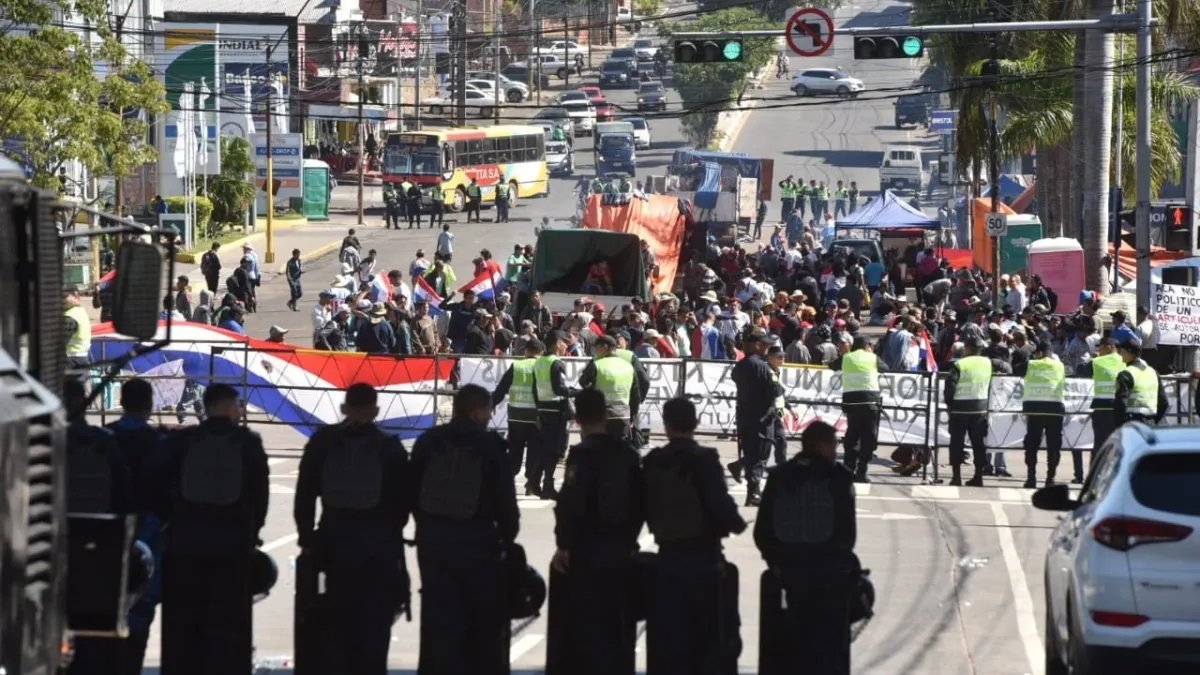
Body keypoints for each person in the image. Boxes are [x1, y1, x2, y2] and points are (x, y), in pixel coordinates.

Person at [294, 383, 410, 675]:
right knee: (375, 625)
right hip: (379, 544)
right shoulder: (390, 446)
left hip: (334, 539)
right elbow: (403, 502)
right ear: (376, 410)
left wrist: (307, 539)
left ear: (344, 408)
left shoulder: (323, 442)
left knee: (337, 618)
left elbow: (305, 495)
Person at [160, 383, 268, 675]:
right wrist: (252, 533)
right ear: (230, 406)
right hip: (233, 545)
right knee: (229, 623)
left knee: (183, 624)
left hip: (185, 544)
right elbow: (260, 496)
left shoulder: (182, 442)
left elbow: (162, 488)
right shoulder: (248, 443)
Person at [411, 385, 518, 675]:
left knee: (438, 620)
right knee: (482, 625)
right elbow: (506, 504)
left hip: (434, 544)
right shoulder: (490, 447)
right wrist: (507, 540)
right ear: (477, 412)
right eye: (488, 410)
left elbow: (412, 492)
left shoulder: (429, 442)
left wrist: (426, 528)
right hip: (479, 545)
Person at [642, 397, 746, 675]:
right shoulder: (704, 460)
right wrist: (737, 524)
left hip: (666, 562)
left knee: (669, 644)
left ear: (666, 426)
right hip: (704, 562)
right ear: (696, 423)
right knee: (710, 642)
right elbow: (722, 508)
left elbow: (639, 506)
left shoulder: (654, 462)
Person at [549, 389, 643, 675]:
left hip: (586, 550)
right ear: (605, 415)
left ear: (576, 418)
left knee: (584, 624)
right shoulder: (627, 453)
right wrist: (629, 540)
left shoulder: (581, 454)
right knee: (618, 624)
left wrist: (564, 545)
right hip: (620, 548)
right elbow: (640, 503)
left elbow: (571, 503)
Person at [754, 420, 856, 675]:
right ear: (821, 446)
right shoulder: (839, 478)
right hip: (828, 577)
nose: (836, 450)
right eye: (833, 444)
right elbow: (847, 535)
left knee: (787, 641)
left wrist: (776, 563)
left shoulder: (779, 477)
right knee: (828, 647)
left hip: (788, 574)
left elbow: (762, 531)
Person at [63, 378, 136, 675]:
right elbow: (125, 498)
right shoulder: (101, 442)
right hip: (93, 546)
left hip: (41, 549)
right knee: (92, 631)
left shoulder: (32, 438)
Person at [105, 378, 168, 675]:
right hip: (149, 529)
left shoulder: (106, 438)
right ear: (149, 405)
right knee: (142, 604)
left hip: (107, 529)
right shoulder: (158, 442)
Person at [730, 328, 776, 505]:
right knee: (760, 454)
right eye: (763, 344)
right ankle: (754, 492)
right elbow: (772, 390)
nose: (766, 348)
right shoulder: (762, 367)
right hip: (762, 417)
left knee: (751, 453)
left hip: (745, 415)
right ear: (755, 345)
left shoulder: (740, 366)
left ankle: (752, 491)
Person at [830, 336, 884, 483]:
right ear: (867, 346)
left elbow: (832, 366)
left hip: (852, 404)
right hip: (870, 402)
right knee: (868, 438)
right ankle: (862, 471)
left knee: (852, 436)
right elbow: (886, 368)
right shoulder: (872, 357)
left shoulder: (847, 358)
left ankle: (848, 469)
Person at [491, 339, 543, 484]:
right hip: (537, 416)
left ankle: (507, 478)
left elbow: (502, 388)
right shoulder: (544, 367)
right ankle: (531, 481)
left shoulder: (517, 366)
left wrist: (492, 404)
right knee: (535, 449)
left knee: (515, 448)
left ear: (526, 351)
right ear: (541, 353)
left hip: (516, 415)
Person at [944, 339, 992, 487]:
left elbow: (950, 388)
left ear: (969, 348)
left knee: (957, 443)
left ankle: (956, 477)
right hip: (980, 408)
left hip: (960, 409)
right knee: (978, 444)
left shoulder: (960, 364)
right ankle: (978, 477)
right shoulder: (987, 363)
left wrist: (950, 405)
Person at [532, 331, 573, 498]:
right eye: (564, 342)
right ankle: (547, 485)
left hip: (543, 408)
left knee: (546, 448)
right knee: (555, 450)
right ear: (557, 344)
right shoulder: (557, 363)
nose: (566, 346)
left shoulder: (539, 362)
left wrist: (538, 407)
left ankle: (535, 481)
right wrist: (577, 392)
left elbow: (534, 389)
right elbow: (559, 389)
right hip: (556, 409)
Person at [1021, 341, 1066, 488]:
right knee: (1054, 446)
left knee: (1032, 445)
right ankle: (1050, 479)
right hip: (1055, 410)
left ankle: (1031, 478)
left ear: (1039, 353)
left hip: (1035, 410)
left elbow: (1013, 369)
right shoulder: (1061, 366)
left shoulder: (1031, 364)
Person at [578, 335, 638, 439]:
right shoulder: (628, 366)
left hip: (601, 415)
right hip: (623, 415)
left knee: (599, 448)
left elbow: (583, 382)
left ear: (604, 347)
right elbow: (635, 393)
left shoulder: (597, 364)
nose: (595, 351)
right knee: (619, 449)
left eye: (596, 347)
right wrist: (632, 415)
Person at [1077, 336, 1123, 458]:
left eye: (1101, 348)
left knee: (1100, 444)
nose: (1099, 351)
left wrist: (1090, 359)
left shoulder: (1097, 361)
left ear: (1109, 347)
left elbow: (1081, 372)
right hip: (1120, 408)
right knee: (1120, 443)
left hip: (1102, 408)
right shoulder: (1126, 361)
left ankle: (1097, 474)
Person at [1113, 340, 1167, 425]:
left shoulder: (1126, 374)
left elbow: (1121, 403)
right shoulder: (1153, 372)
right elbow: (1164, 402)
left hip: (1133, 423)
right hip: (1151, 421)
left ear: (1129, 352)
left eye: (1122, 351)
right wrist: (1155, 421)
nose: (1120, 354)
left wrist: (1120, 425)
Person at [64, 285, 93, 372]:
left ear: (76, 296)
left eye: (64, 296)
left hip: (71, 361)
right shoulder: (80, 311)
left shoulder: (70, 317)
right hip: (81, 359)